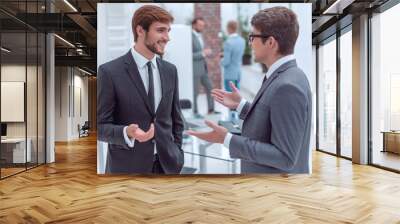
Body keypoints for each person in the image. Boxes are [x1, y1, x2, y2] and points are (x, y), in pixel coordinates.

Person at [187, 7, 312, 173]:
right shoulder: (285, 75)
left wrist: (227, 139)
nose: (250, 43)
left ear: (271, 42)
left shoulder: (287, 86)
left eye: (252, 37)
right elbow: (272, 118)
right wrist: (242, 106)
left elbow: (285, 157)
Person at [97, 5, 184, 174]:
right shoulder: (110, 72)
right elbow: (100, 126)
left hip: (167, 167)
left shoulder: (170, 70)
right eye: (160, 30)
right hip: (127, 168)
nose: (167, 38)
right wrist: (126, 132)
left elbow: (176, 120)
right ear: (140, 30)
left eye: (168, 31)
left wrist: (177, 153)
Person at [221, 21, 245, 121]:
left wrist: (220, 60)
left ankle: (232, 119)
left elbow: (226, 62)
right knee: (237, 96)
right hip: (238, 72)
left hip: (230, 73)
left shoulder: (228, 42)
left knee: (230, 97)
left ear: (229, 29)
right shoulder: (242, 41)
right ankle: (237, 117)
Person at [192, 17, 216, 116]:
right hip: (195, 69)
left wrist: (205, 53)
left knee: (210, 88)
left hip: (203, 68)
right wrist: (202, 53)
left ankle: (211, 110)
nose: (202, 27)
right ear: (194, 25)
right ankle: (195, 112)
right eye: (200, 25)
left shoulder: (200, 36)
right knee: (195, 92)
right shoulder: (189, 36)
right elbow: (188, 54)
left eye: (203, 25)